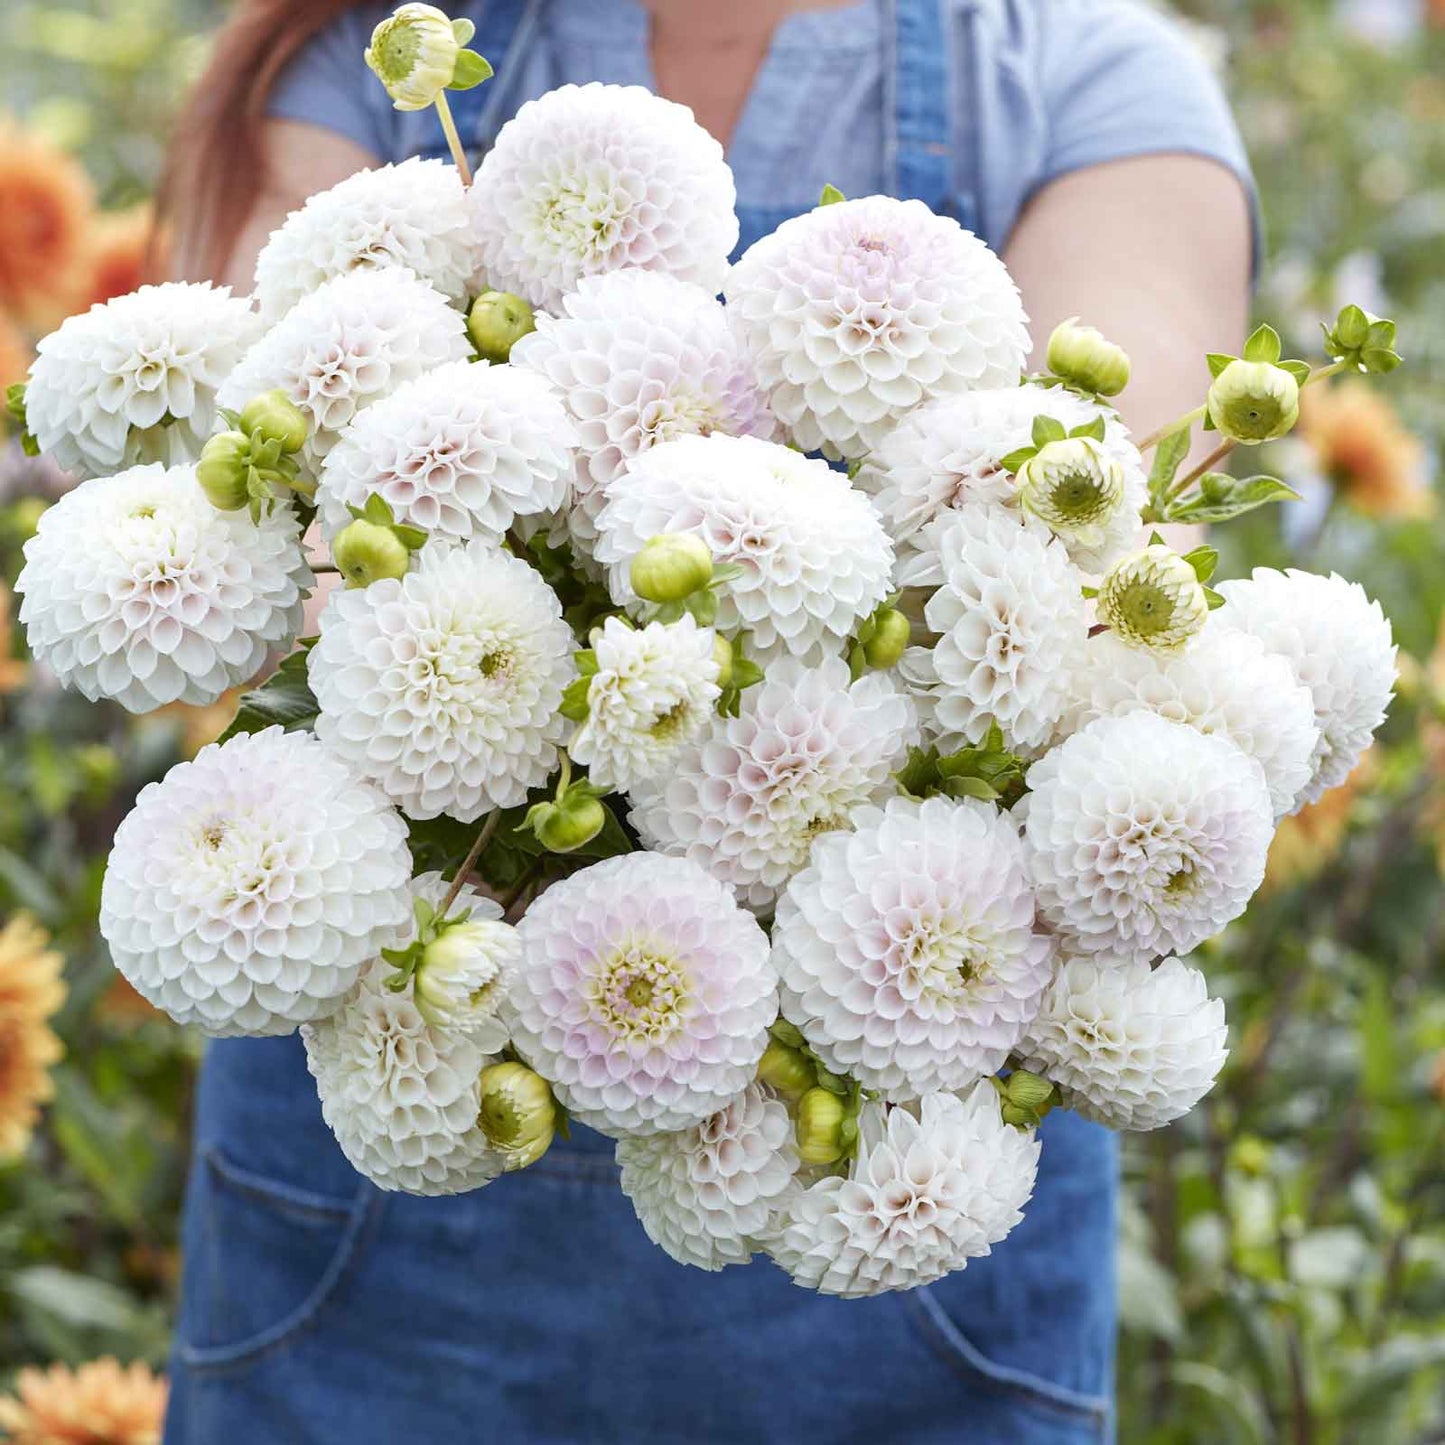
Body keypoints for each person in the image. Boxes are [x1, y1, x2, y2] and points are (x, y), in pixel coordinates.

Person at [156, 2, 1255, 1440]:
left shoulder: (1086, 80)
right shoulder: (360, 58)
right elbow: (297, 516)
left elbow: (1078, 558)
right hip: (389, 1166)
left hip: (894, 1201)